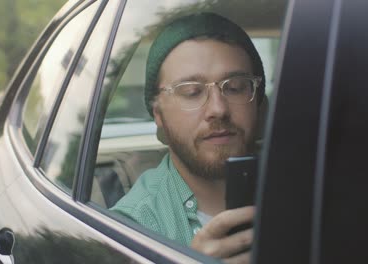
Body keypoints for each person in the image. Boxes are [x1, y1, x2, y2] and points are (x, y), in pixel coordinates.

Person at [112, 12, 266, 263]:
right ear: (158, 114)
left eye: (235, 87)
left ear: (259, 102)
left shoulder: (309, 187)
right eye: (192, 92)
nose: (218, 109)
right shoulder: (133, 227)